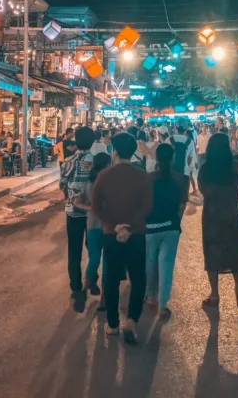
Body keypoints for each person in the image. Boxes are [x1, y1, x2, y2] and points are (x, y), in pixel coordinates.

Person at [91, 132, 153, 344]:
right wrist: (130, 226)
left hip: (111, 234)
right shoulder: (142, 175)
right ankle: (133, 320)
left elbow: (96, 206)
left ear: (114, 151)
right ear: (134, 151)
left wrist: (116, 225)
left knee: (111, 279)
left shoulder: (105, 175)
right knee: (138, 279)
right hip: (136, 234)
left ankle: (113, 324)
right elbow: (146, 206)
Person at [199, 133, 238, 308]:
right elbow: (237, 188)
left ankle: (214, 294)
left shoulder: (205, 168)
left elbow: (203, 190)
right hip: (231, 212)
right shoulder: (235, 167)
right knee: (236, 250)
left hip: (212, 214)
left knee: (212, 251)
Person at [145, 143, 187, 317]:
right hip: (171, 227)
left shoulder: (148, 178)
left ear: (156, 157)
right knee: (166, 265)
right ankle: (162, 305)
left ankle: (151, 296)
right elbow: (182, 205)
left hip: (151, 226)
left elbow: (143, 203)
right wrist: (176, 221)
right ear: (173, 158)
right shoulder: (182, 179)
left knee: (150, 262)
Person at [60, 126, 96, 312]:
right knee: (93, 249)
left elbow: (62, 184)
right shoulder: (96, 161)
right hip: (92, 212)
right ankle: (91, 279)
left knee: (74, 251)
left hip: (73, 211)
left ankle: (75, 288)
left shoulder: (68, 161)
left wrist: (72, 195)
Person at [74, 152, 112, 305]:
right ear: (108, 165)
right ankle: (103, 298)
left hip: (92, 225)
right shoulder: (110, 182)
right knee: (107, 262)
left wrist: (90, 208)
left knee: (94, 258)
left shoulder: (89, 182)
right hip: (109, 226)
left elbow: (77, 202)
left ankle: (87, 284)